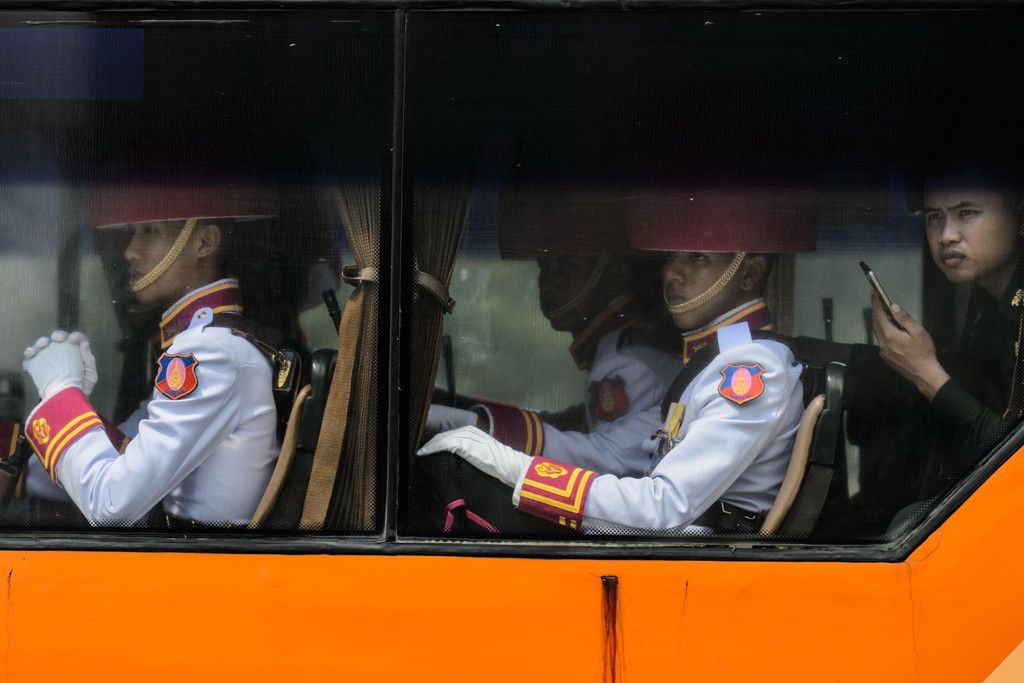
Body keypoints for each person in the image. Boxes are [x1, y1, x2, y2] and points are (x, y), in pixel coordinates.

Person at [418, 188, 812, 533]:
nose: (673, 273)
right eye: (670, 257)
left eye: (696, 257)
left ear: (749, 274)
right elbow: (616, 457)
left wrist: (515, 470)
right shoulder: (715, 362)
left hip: (700, 562)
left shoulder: (750, 370)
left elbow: (663, 508)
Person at [20, 173, 286, 527]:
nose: (130, 250)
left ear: (204, 242)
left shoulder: (210, 353)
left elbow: (110, 505)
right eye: (135, 232)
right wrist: (75, 406)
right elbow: (127, 455)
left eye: (150, 231)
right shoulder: (204, 346)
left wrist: (60, 393)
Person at [424, 184, 679, 477]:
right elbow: (576, 424)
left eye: (566, 267)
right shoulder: (614, 347)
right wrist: (459, 406)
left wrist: (469, 425)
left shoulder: (628, 361)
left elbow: (604, 460)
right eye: (544, 266)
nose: (548, 281)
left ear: (615, 277)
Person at [872, 164, 1022, 460]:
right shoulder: (982, 304)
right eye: (933, 217)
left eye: (966, 212)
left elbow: (1016, 465)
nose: (945, 236)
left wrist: (928, 374)